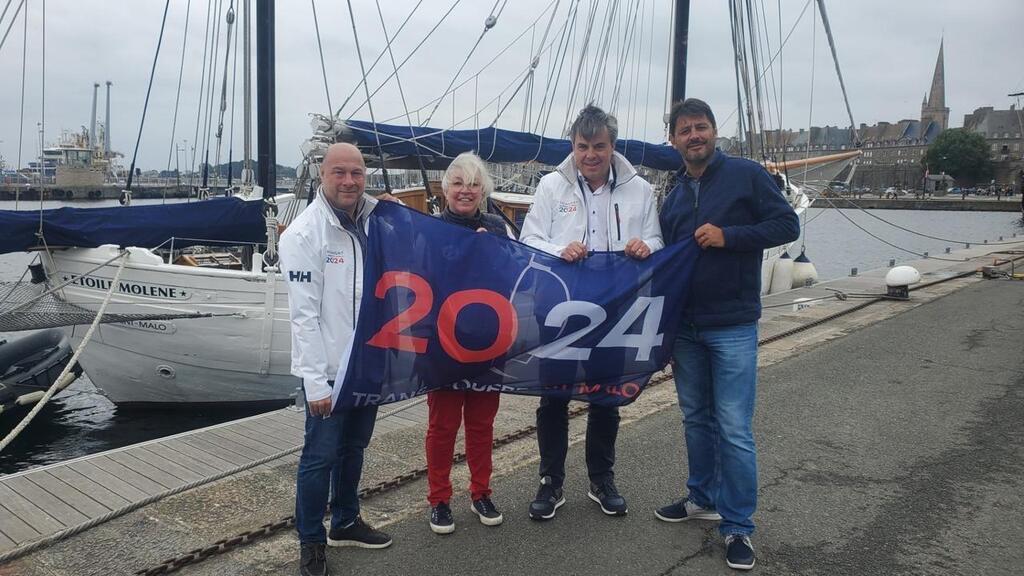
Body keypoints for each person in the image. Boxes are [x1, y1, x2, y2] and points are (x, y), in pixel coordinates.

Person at [656, 98, 799, 572]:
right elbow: (667, 261)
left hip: (732, 323)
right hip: (687, 327)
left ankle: (738, 525)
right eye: (684, 130)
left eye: (701, 127)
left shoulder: (746, 175)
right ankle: (701, 498)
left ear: (714, 131)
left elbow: (786, 223)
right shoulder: (673, 194)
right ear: (673, 139)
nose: (693, 135)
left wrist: (729, 236)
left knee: (734, 427)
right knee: (696, 418)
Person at [520, 104, 663, 521]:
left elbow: (656, 237)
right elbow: (530, 238)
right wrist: (558, 250)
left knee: (606, 398)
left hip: (616, 310)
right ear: (573, 146)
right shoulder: (551, 186)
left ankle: (601, 479)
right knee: (553, 398)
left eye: (599, 146)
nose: (591, 155)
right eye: (583, 146)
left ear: (612, 146)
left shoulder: (641, 190)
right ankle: (551, 481)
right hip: (559, 307)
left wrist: (646, 246)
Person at [280, 143, 393, 576]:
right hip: (328, 371)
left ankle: (345, 520)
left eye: (357, 173)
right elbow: (303, 316)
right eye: (339, 173)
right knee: (318, 457)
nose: (349, 181)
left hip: (366, 364)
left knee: (354, 449)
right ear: (322, 176)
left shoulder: (375, 220)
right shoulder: (306, 235)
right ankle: (311, 539)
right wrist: (314, 383)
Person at [425, 152, 509, 535]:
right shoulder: (430, 227)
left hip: (486, 340)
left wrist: (492, 251)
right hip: (443, 343)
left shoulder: (495, 226)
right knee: (442, 426)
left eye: (474, 183)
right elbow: (422, 278)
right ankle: (439, 499)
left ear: (483, 189)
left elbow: (512, 276)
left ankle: (481, 492)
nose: (466, 190)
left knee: (481, 424)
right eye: (458, 183)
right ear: (445, 189)